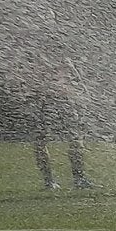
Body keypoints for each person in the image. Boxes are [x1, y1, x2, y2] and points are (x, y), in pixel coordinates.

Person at [30, 49, 94, 192]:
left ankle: (79, 178)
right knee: (41, 141)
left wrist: (82, 93)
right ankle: (50, 181)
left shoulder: (64, 61)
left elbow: (77, 80)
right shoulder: (39, 62)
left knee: (76, 139)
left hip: (63, 103)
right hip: (46, 103)